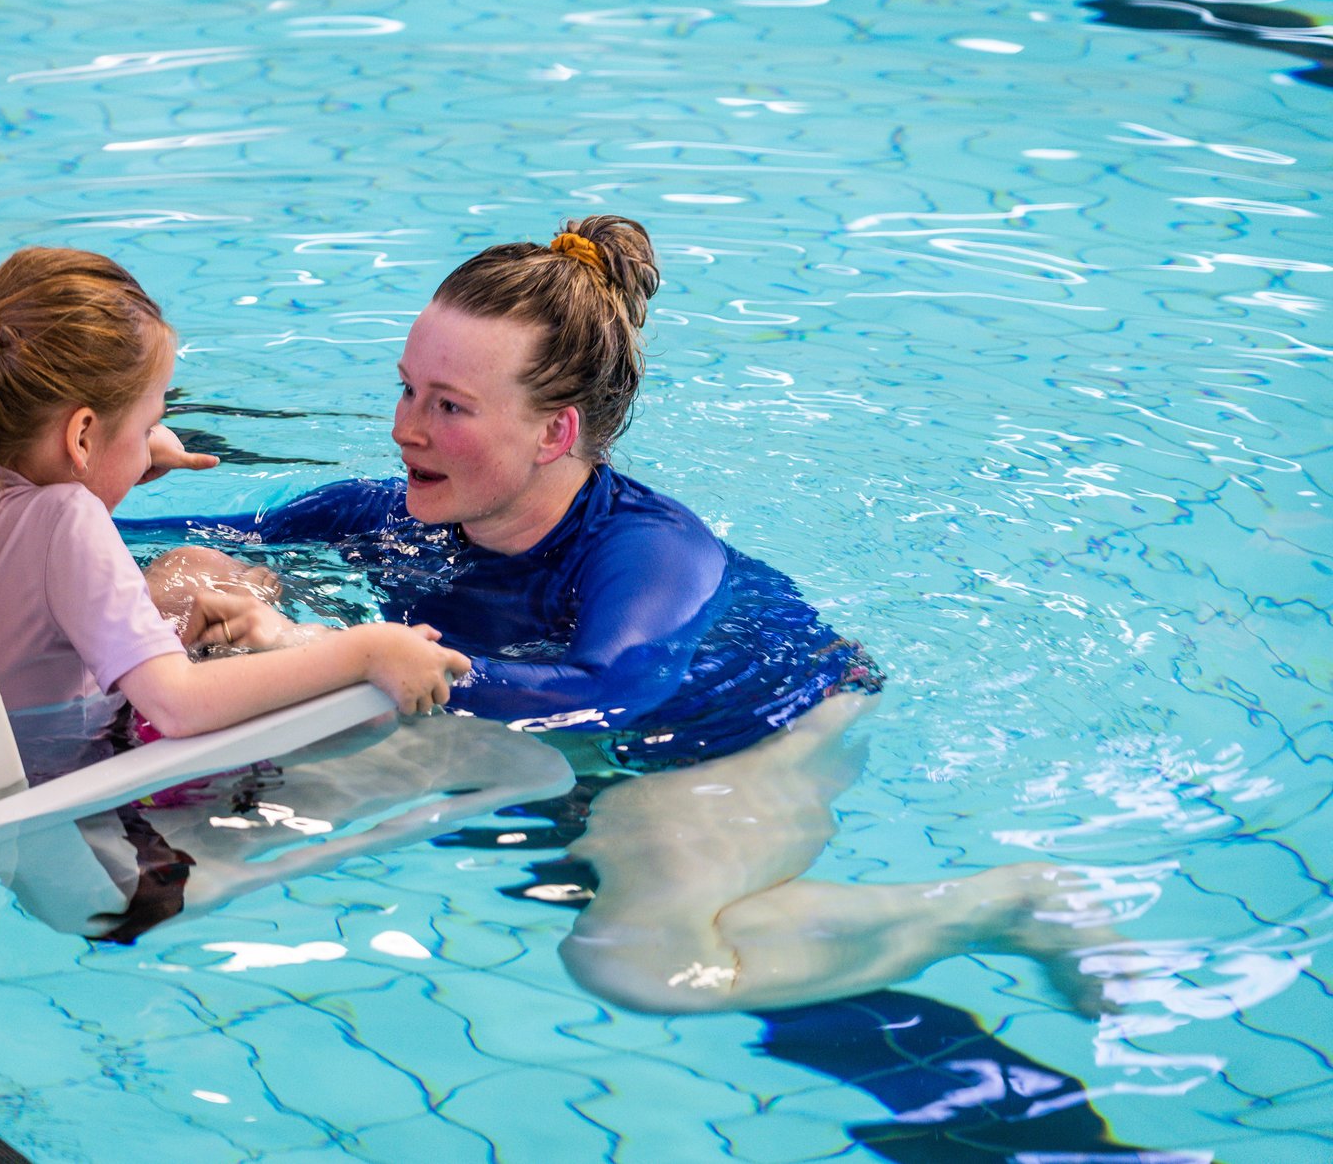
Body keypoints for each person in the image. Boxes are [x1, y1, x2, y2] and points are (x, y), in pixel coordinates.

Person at [127, 215, 1115, 1014]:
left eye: (448, 407)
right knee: (197, 571)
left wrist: (327, 650)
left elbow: (607, 696)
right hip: (524, 705)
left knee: (639, 965)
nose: (403, 429)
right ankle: (155, 801)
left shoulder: (646, 550)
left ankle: (1005, 901)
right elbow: (166, 540)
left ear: (555, 430)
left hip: (727, 741)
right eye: (404, 390)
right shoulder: (395, 515)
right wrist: (104, 470)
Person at [0, 245, 469, 752]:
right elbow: (178, 706)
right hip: (77, 771)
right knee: (368, 724)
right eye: (148, 428)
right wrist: (365, 652)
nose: (153, 446)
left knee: (194, 570)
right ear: (82, 437)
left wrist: (125, 456)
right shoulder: (66, 521)